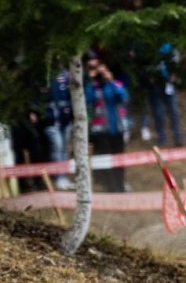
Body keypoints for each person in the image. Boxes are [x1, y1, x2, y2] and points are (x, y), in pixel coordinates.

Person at [85, 54, 129, 192]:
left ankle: (120, 187)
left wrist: (110, 80)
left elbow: (124, 97)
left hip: (117, 129)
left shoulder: (114, 84)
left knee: (119, 161)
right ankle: (111, 188)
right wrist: (91, 80)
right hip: (100, 131)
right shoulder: (92, 87)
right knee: (106, 161)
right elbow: (88, 102)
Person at [145, 42, 185, 147]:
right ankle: (161, 138)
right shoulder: (149, 46)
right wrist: (150, 76)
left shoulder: (170, 46)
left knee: (173, 111)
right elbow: (145, 63)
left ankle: (178, 137)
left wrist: (174, 74)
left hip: (168, 83)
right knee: (159, 113)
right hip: (156, 85)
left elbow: (177, 60)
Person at [43, 69, 75, 189]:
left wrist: (71, 114)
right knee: (57, 147)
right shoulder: (44, 75)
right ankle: (58, 177)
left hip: (65, 121)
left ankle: (64, 177)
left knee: (64, 149)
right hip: (51, 122)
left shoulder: (67, 75)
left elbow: (71, 97)